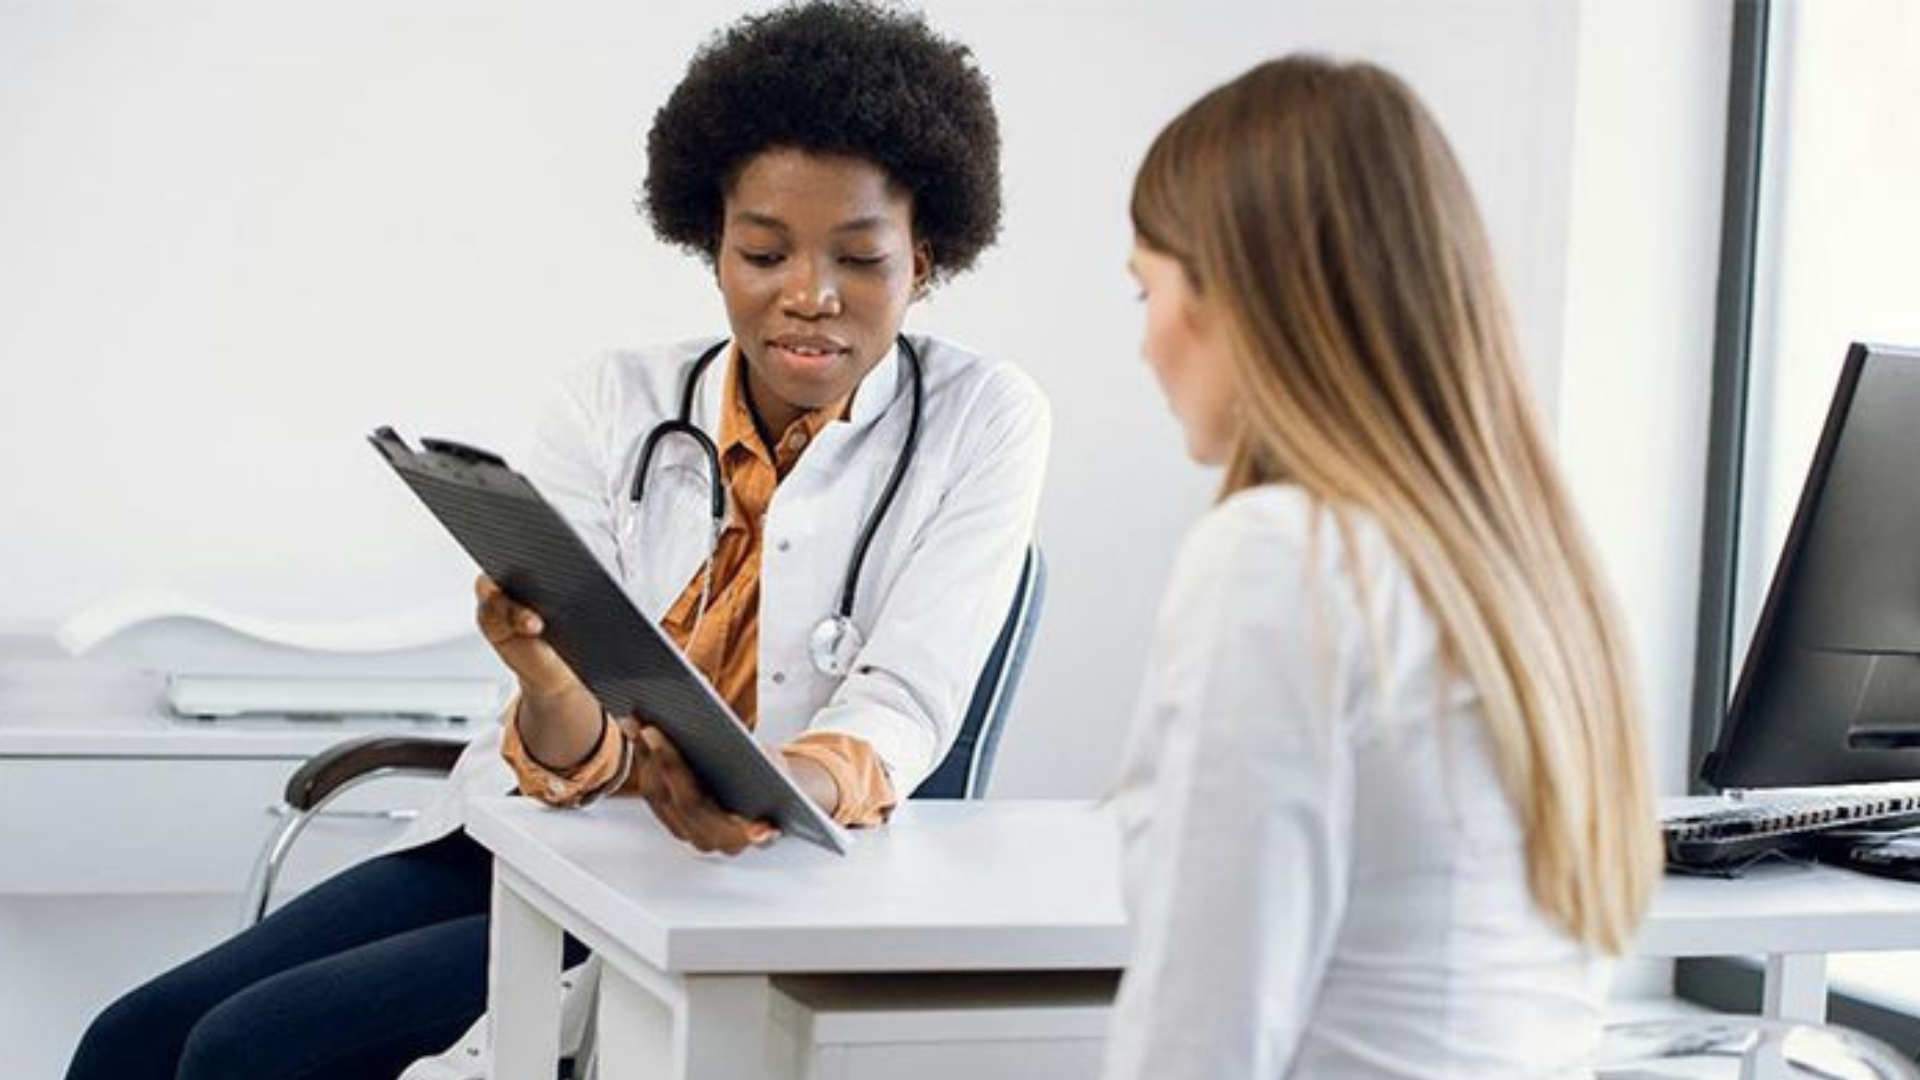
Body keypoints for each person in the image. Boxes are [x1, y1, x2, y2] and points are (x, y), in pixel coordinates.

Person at [65, 4, 1047, 1078]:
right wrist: (538, 668)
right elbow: (573, 744)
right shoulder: (613, 400)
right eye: (762, 251)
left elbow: (904, 703)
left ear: (929, 257)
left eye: (860, 259)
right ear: (709, 241)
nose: (808, 296)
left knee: (245, 1052)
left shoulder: (982, 418)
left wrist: (772, 791)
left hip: (749, 877)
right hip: (543, 835)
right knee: (131, 1041)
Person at [1104, 56, 1659, 1080]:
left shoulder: (1281, 560)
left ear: (1238, 292)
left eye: (1148, 289)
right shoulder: (1537, 581)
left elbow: (1202, 1041)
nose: (1144, 344)